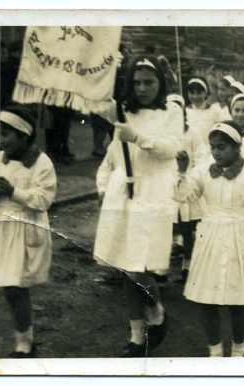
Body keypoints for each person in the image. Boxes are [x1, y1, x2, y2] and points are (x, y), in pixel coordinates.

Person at [93, 56, 184, 357]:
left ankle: (157, 313)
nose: (142, 88)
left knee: (140, 268)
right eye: (136, 82)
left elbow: (171, 149)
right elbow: (92, 98)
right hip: (124, 191)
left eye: (150, 82)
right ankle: (135, 337)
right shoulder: (122, 109)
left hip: (153, 190)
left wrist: (139, 137)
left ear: (161, 84)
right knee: (123, 266)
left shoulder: (171, 110)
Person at [174, 121, 244, 357]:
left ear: (237, 147)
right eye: (213, 147)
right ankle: (215, 352)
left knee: (237, 299)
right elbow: (184, 195)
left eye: (222, 147)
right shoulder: (203, 170)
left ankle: (238, 350)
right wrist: (182, 171)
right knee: (206, 299)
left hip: (241, 236)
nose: (216, 152)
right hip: (211, 235)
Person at [0, 104, 57, 358]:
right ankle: (24, 338)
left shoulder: (41, 162)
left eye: (7, 134)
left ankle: (24, 344)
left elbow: (43, 199)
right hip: (5, 229)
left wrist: (13, 192)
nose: (1, 140)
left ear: (24, 135)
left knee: (17, 287)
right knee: (10, 288)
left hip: (28, 228)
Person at [169, 94, 209, 283]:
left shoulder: (193, 133)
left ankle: (188, 265)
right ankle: (161, 268)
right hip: (170, 186)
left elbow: (201, 156)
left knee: (190, 229)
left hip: (190, 182)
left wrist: (190, 171)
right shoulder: (164, 134)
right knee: (170, 227)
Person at [185, 76, 219, 148]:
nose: (195, 96)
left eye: (199, 93)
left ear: (206, 93)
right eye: (192, 93)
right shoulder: (185, 112)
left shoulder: (214, 112)